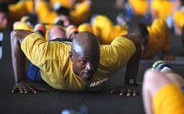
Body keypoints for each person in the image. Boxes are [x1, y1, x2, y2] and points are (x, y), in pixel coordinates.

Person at [10, 25, 142, 96]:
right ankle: (41, 29)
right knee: (56, 33)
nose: (90, 68)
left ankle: (73, 32)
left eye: (94, 61)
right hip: (57, 51)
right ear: (71, 57)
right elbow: (16, 35)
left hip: (81, 50)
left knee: (82, 46)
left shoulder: (110, 57)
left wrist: (130, 82)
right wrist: (20, 80)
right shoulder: (47, 56)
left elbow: (136, 39)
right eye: (84, 62)